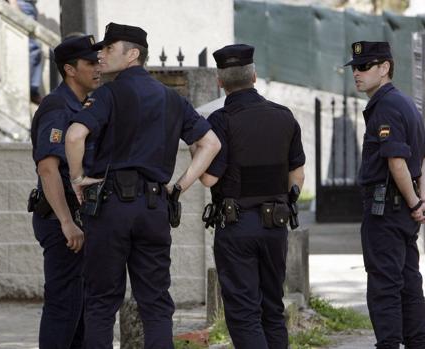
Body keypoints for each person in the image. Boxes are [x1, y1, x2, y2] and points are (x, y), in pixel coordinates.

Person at [64, 22, 221, 349]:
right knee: (155, 304)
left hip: (111, 209)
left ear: (132, 54)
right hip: (153, 208)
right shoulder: (171, 99)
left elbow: (75, 135)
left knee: (102, 302)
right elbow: (210, 144)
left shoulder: (107, 94)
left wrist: (77, 179)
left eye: (108, 49)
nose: (101, 56)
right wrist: (179, 187)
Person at [199, 44, 306, 349]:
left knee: (244, 315)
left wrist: (197, 149)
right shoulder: (284, 116)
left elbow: (209, 177)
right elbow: (297, 172)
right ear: (254, 76)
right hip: (276, 226)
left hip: (237, 228)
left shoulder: (220, 121)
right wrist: (286, 199)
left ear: (220, 81)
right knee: (272, 308)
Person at [345, 41, 425, 349]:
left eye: (364, 67)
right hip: (402, 211)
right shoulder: (404, 103)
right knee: (408, 284)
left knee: (385, 287)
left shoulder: (386, 106)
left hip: (385, 210)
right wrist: (421, 201)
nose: (356, 74)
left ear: (384, 67)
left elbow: (396, 160)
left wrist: (417, 202)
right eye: (354, 68)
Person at [28, 34, 102, 349]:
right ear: (70, 70)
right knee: (64, 305)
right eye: (90, 62)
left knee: (81, 307)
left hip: (77, 217)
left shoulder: (82, 104)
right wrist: (67, 222)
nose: (98, 67)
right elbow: (47, 167)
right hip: (63, 220)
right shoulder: (57, 107)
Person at [8, 0, 44, 104]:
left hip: (29, 7)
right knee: (33, 47)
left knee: (33, 47)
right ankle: (29, 89)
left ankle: (30, 88)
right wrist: (13, 2)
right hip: (21, 5)